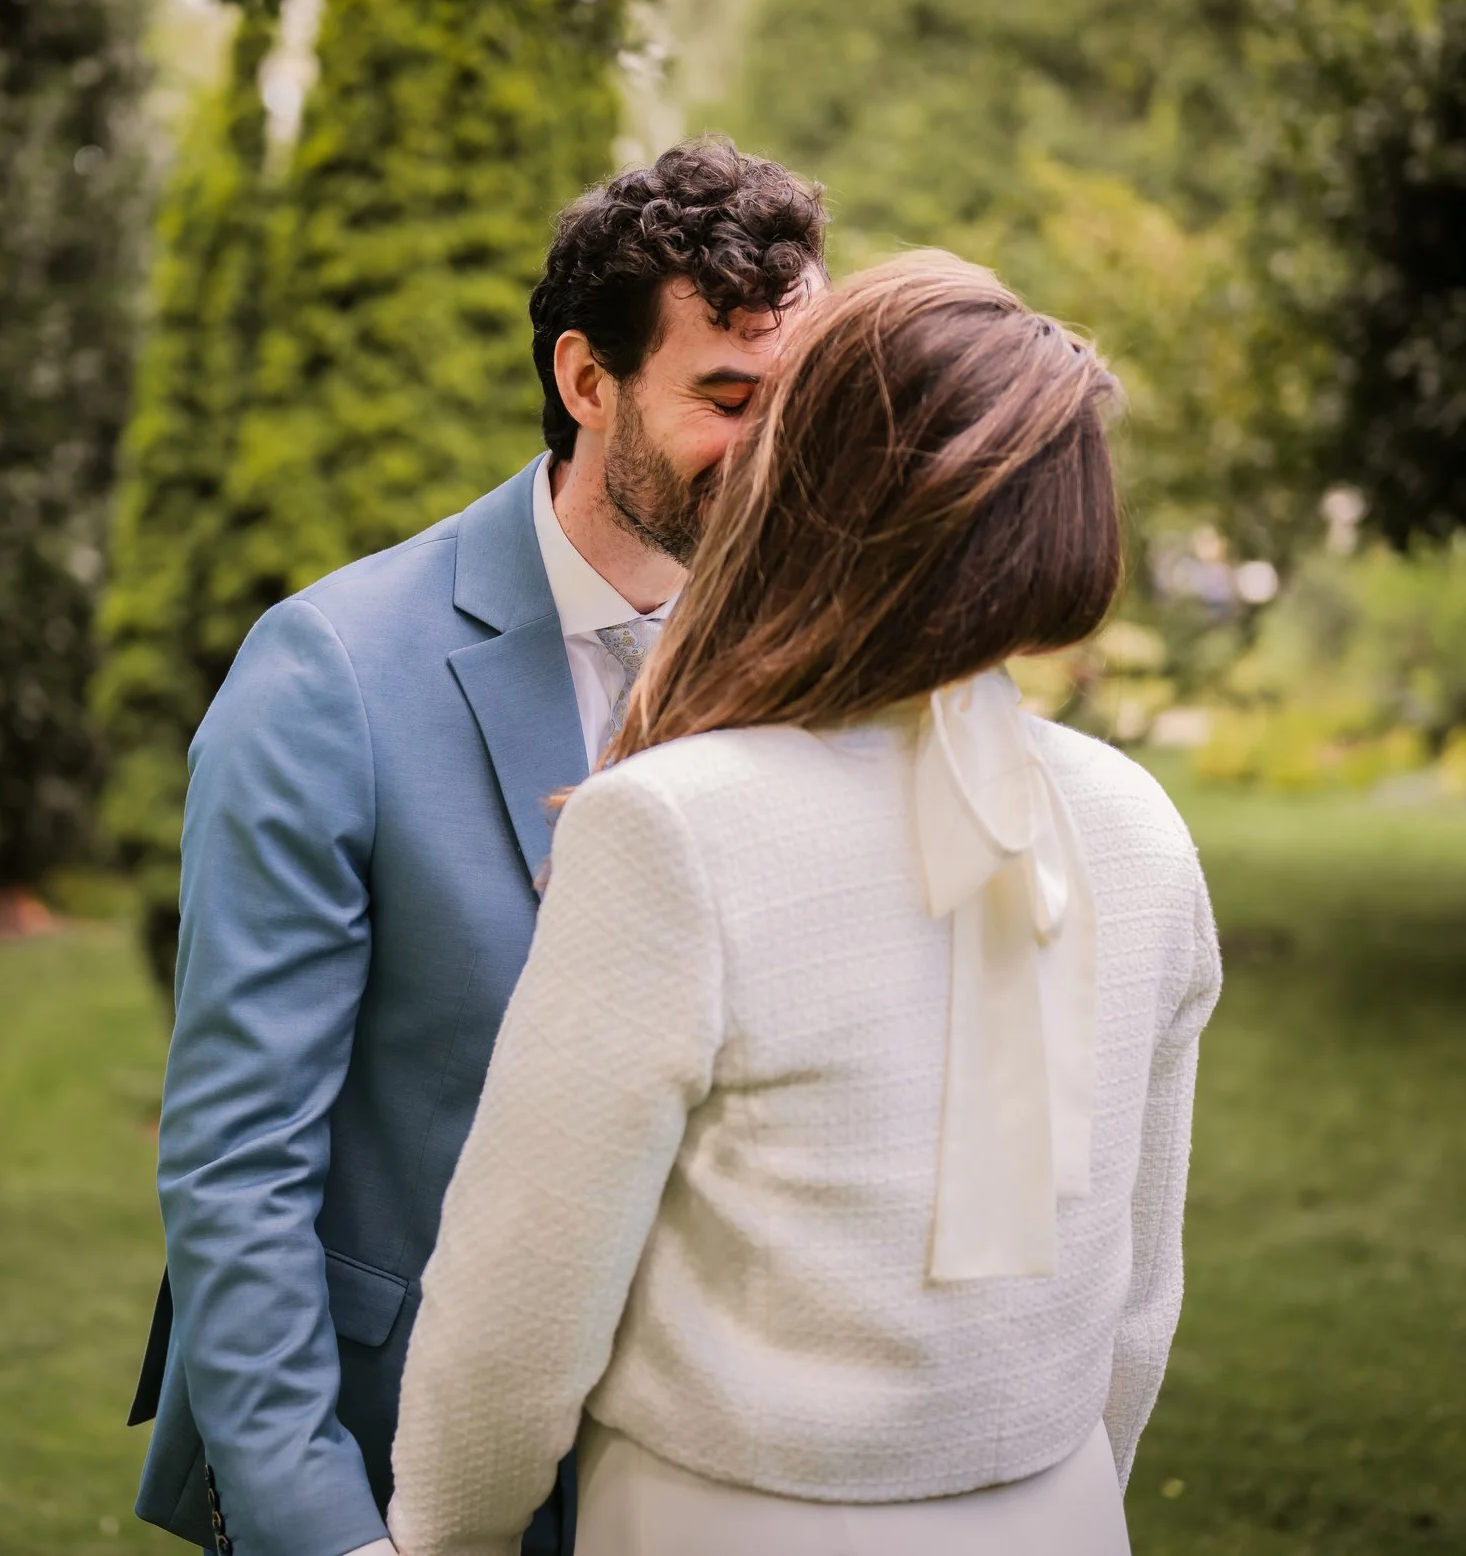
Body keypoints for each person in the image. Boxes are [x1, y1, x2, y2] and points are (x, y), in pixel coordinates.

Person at [384, 251, 1224, 1556]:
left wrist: (451, 1537)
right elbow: (1138, 1296)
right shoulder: (1138, 826)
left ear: (805, 491)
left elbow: (520, 1301)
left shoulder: (676, 828)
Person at [128, 139, 830, 1556]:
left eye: (794, 401)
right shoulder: (327, 675)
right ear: (587, 381)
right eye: (725, 399)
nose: (771, 453)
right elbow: (238, 1167)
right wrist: (325, 1533)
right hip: (392, 1457)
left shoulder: (810, 666)